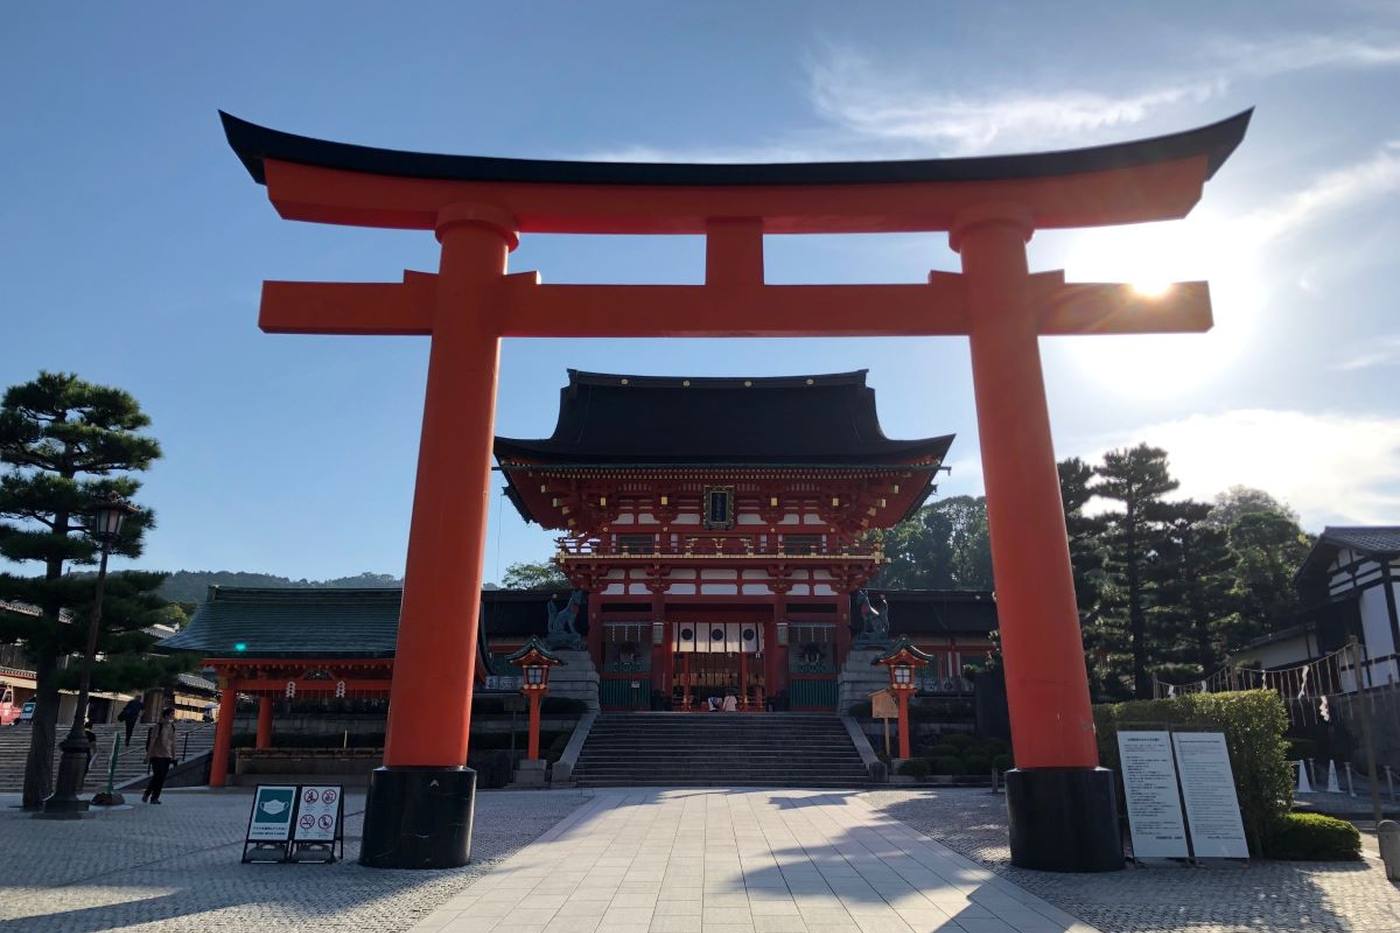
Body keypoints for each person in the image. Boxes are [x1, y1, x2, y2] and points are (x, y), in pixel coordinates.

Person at [143, 707, 178, 804]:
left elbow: (173, 743)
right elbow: (152, 741)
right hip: (156, 755)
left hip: (167, 755)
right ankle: (150, 795)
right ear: (166, 715)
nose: (173, 716)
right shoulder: (158, 727)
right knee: (157, 775)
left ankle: (153, 796)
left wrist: (174, 757)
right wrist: (148, 756)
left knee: (161, 777)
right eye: (171, 714)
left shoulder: (172, 727)